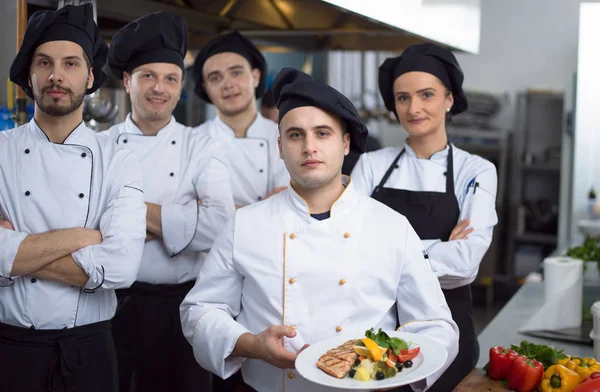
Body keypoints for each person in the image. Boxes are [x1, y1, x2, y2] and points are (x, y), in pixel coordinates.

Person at [180, 67, 459, 392]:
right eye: (296, 135)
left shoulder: (391, 227)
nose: (309, 147)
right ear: (280, 147)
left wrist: (395, 372)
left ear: (345, 143)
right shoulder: (246, 224)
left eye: (322, 133)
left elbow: (436, 326)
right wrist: (251, 344)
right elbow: (200, 310)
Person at [0, 4, 146, 391]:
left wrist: (13, 255)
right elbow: (104, 257)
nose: (56, 76)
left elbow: (121, 267)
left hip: (89, 350)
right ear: (28, 76)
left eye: (70, 63)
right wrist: (84, 237)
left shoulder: (119, 158)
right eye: (44, 62)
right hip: (9, 349)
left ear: (90, 76)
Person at [351, 43, 498, 391]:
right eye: (402, 98)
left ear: (449, 99)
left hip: (447, 334)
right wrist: (440, 247)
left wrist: (382, 253)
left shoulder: (476, 170)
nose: (413, 108)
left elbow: (464, 264)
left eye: (426, 94)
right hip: (376, 333)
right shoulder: (372, 165)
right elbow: (348, 248)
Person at [101, 11, 235, 392]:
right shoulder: (101, 146)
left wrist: (124, 215)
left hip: (183, 309)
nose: (159, 88)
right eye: (148, 76)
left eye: (170, 79)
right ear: (127, 81)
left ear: (180, 88)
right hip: (110, 306)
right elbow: (81, 223)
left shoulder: (201, 145)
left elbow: (220, 223)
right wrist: (180, 216)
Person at [192, 31, 289, 209]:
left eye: (236, 73)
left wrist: (216, 210)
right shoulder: (194, 141)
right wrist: (264, 208)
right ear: (206, 88)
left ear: (256, 77)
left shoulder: (285, 137)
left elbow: (288, 204)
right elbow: (187, 211)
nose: (227, 84)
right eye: (216, 77)